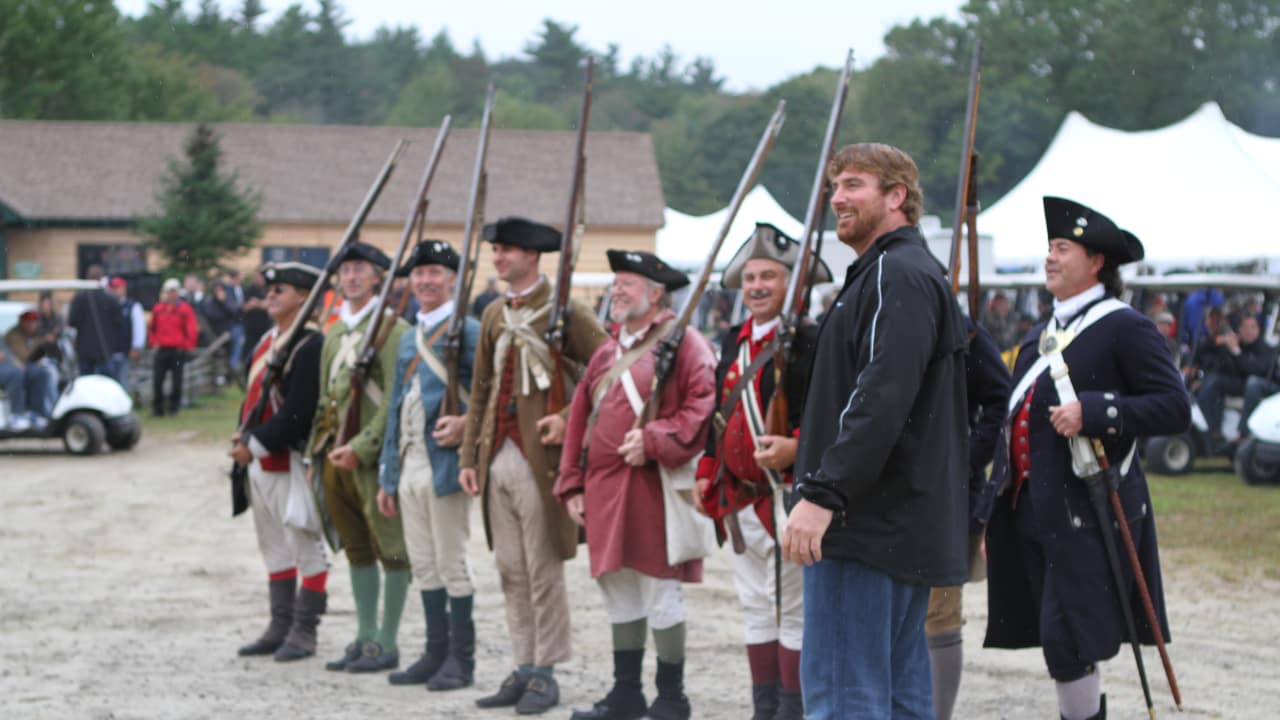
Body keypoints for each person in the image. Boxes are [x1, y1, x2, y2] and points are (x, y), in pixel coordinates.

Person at [974, 197, 1189, 720]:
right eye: (1049, 247)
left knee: (1069, 636)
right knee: (1060, 638)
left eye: (1062, 248)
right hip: (1032, 509)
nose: (1049, 257)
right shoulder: (1038, 336)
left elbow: (1174, 407)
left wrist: (1094, 410)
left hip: (1087, 512)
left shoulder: (1125, 327)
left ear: (1096, 261)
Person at [781, 143, 970, 719]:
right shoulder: (899, 273)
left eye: (854, 184)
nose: (837, 197)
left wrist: (823, 493)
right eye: (835, 185)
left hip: (863, 523)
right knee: (895, 697)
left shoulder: (897, 273)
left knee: (845, 699)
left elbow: (882, 396)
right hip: (890, 521)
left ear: (896, 197)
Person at [556, 250, 716, 720]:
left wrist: (653, 439)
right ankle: (626, 694)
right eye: (617, 284)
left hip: (652, 487)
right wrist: (571, 484)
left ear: (655, 292)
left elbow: (701, 404)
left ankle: (671, 699)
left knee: (659, 589)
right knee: (618, 587)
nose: (617, 292)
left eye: (628, 283)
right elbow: (579, 420)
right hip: (604, 489)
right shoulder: (608, 350)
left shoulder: (685, 343)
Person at [457, 217, 607, 715]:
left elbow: (610, 371)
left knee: (543, 570)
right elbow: (479, 390)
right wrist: (469, 457)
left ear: (532, 256)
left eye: (508, 251)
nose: (499, 258)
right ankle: (523, 665)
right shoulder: (496, 314)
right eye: (496, 250)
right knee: (509, 569)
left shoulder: (566, 313)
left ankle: (546, 670)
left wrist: (568, 418)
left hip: (540, 459)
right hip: (496, 455)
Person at [692, 224, 828, 720]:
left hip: (788, 495)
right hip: (743, 497)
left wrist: (797, 448)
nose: (756, 286)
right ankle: (764, 708)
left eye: (769, 275)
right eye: (750, 276)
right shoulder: (735, 339)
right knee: (755, 610)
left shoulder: (814, 341)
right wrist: (709, 466)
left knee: (793, 612)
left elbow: (828, 416)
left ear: (792, 284)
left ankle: (791, 710)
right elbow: (719, 414)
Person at [375, 240, 482, 691]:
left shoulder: (470, 331)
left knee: (451, 562)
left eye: (435, 273)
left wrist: (465, 425)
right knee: (423, 564)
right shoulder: (406, 338)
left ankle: (461, 660)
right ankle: (434, 654)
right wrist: (388, 472)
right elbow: (396, 407)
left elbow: (490, 395)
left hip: (445, 465)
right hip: (411, 463)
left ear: (453, 279)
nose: (425, 281)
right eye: (419, 274)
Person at [305, 241, 410, 674]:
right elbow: (325, 395)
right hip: (332, 453)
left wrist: (364, 446)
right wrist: (318, 447)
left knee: (392, 548)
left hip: (368, 456)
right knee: (356, 547)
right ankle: (364, 634)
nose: (351, 277)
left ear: (377, 276)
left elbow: (394, 401)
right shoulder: (334, 331)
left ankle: (386, 641)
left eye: (360, 269)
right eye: (345, 270)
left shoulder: (392, 330)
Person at [228, 262, 331, 662]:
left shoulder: (308, 345)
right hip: (257, 458)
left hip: (288, 459)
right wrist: (243, 437)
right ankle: (280, 624)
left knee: (305, 545)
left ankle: (305, 630)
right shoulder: (269, 340)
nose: (270, 296)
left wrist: (254, 444)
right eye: (270, 290)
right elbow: (253, 400)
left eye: (281, 290)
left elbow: (297, 413)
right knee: (274, 548)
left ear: (303, 298)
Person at [925, 316, 1011, 720]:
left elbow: (1000, 400)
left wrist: (967, 459)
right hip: (885, 494)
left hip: (949, 495)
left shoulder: (966, 333)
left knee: (939, 612)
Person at [147, 279, 199, 417]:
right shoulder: (158, 309)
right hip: (162, 349)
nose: (171, 295)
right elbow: (152, 328)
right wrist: (153, 342)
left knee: (177, 381)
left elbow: (191, 329)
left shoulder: (184, 309)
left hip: (177, 350)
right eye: (169, 292)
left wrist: (187, 346)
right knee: (158, 380)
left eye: (173, 292)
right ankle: (158, 409)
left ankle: (174, 408)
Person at [1, 310, 59, 430]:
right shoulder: (13, 335)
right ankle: (16, 415)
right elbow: (21, 356)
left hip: (11, 366)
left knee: (41, 373)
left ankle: (35, 413)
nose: (32, 325)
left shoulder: (33, 334)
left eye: (34, 322)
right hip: (7, 368)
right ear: (22, 322)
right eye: (29, 322)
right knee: (16, 373)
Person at [68, 265, 122, 376]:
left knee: (86, 384)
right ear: (101, 278)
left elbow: (71, 321)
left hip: (84, 350)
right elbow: (118, 322)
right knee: (104, 386)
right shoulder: (110, 298)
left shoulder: (79, 298)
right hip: (105, 349)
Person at [1234, 314, 1280, 438]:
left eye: (1253, 327)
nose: (1249, 331)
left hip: (1273, 387)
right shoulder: (1273, 344)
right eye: (1246, 327)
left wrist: (1237, 353)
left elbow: (1258, 369)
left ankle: (1244, 433)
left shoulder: (1262, 346)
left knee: (1253, 383)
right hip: (1270, 384)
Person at [108, 277, 145, 391]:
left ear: (123, 289)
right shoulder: (107, 305)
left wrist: (136, 346)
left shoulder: (132, 305)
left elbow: (139, 327)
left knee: (123, 381)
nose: (114, 291)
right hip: (109, 351)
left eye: (117, 288)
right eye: (113, 288)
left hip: (125, 350)